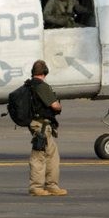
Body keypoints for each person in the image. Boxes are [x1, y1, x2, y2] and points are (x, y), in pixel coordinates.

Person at [27, 60, 67, 196]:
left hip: (38, 124)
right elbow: (55, 105)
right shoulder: (41, 86)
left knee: (52, 156)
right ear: (44, 73)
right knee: (39, 156)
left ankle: (51, 185)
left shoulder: (28, 86)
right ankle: (36, 187)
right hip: (42, 125)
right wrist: (59, 106)